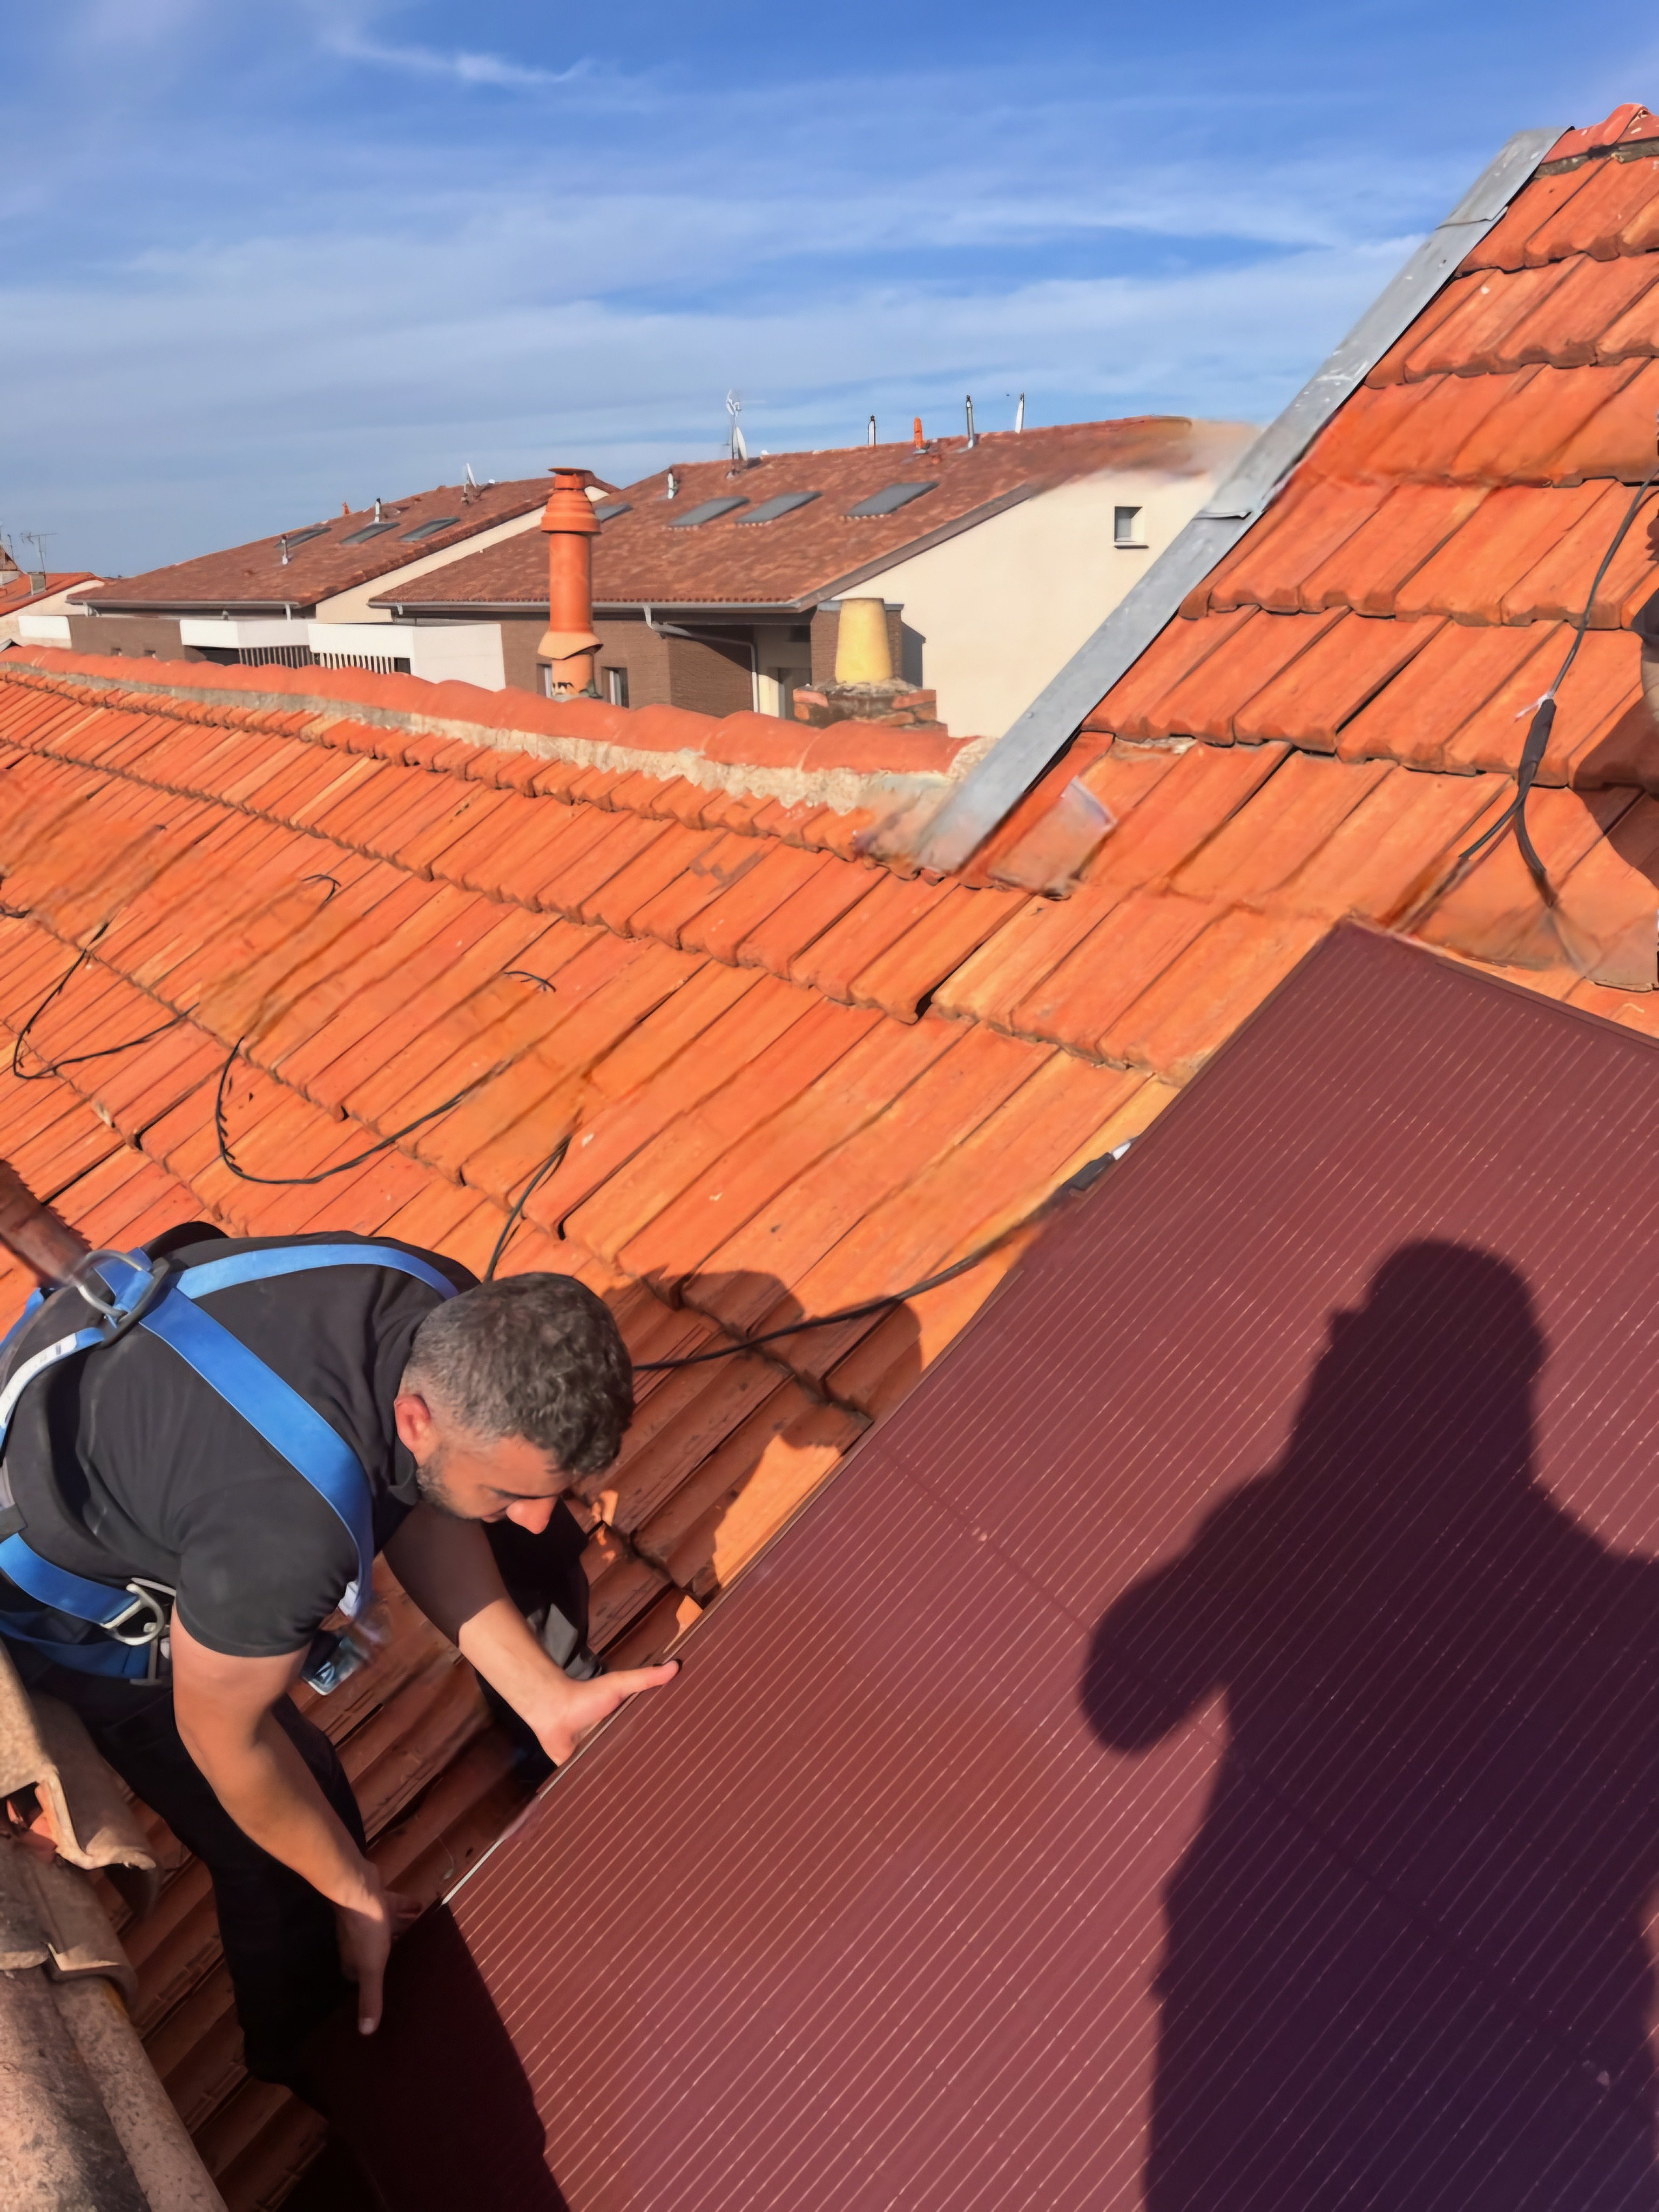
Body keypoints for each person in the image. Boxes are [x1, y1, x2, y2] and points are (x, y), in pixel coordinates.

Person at [0, 1222, 677, 2088]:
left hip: (183, 1436)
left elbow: (423, 1500)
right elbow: (224, 1740)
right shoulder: (283, 1540)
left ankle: (548, 1720)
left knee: (526, 1545)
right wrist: (353, 1891)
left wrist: (540, 1688)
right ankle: (322, 2053)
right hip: (72, 1608)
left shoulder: (438, 1297)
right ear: (414, 1416)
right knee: (295, 1822)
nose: (541, 1511)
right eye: (513, 1489)